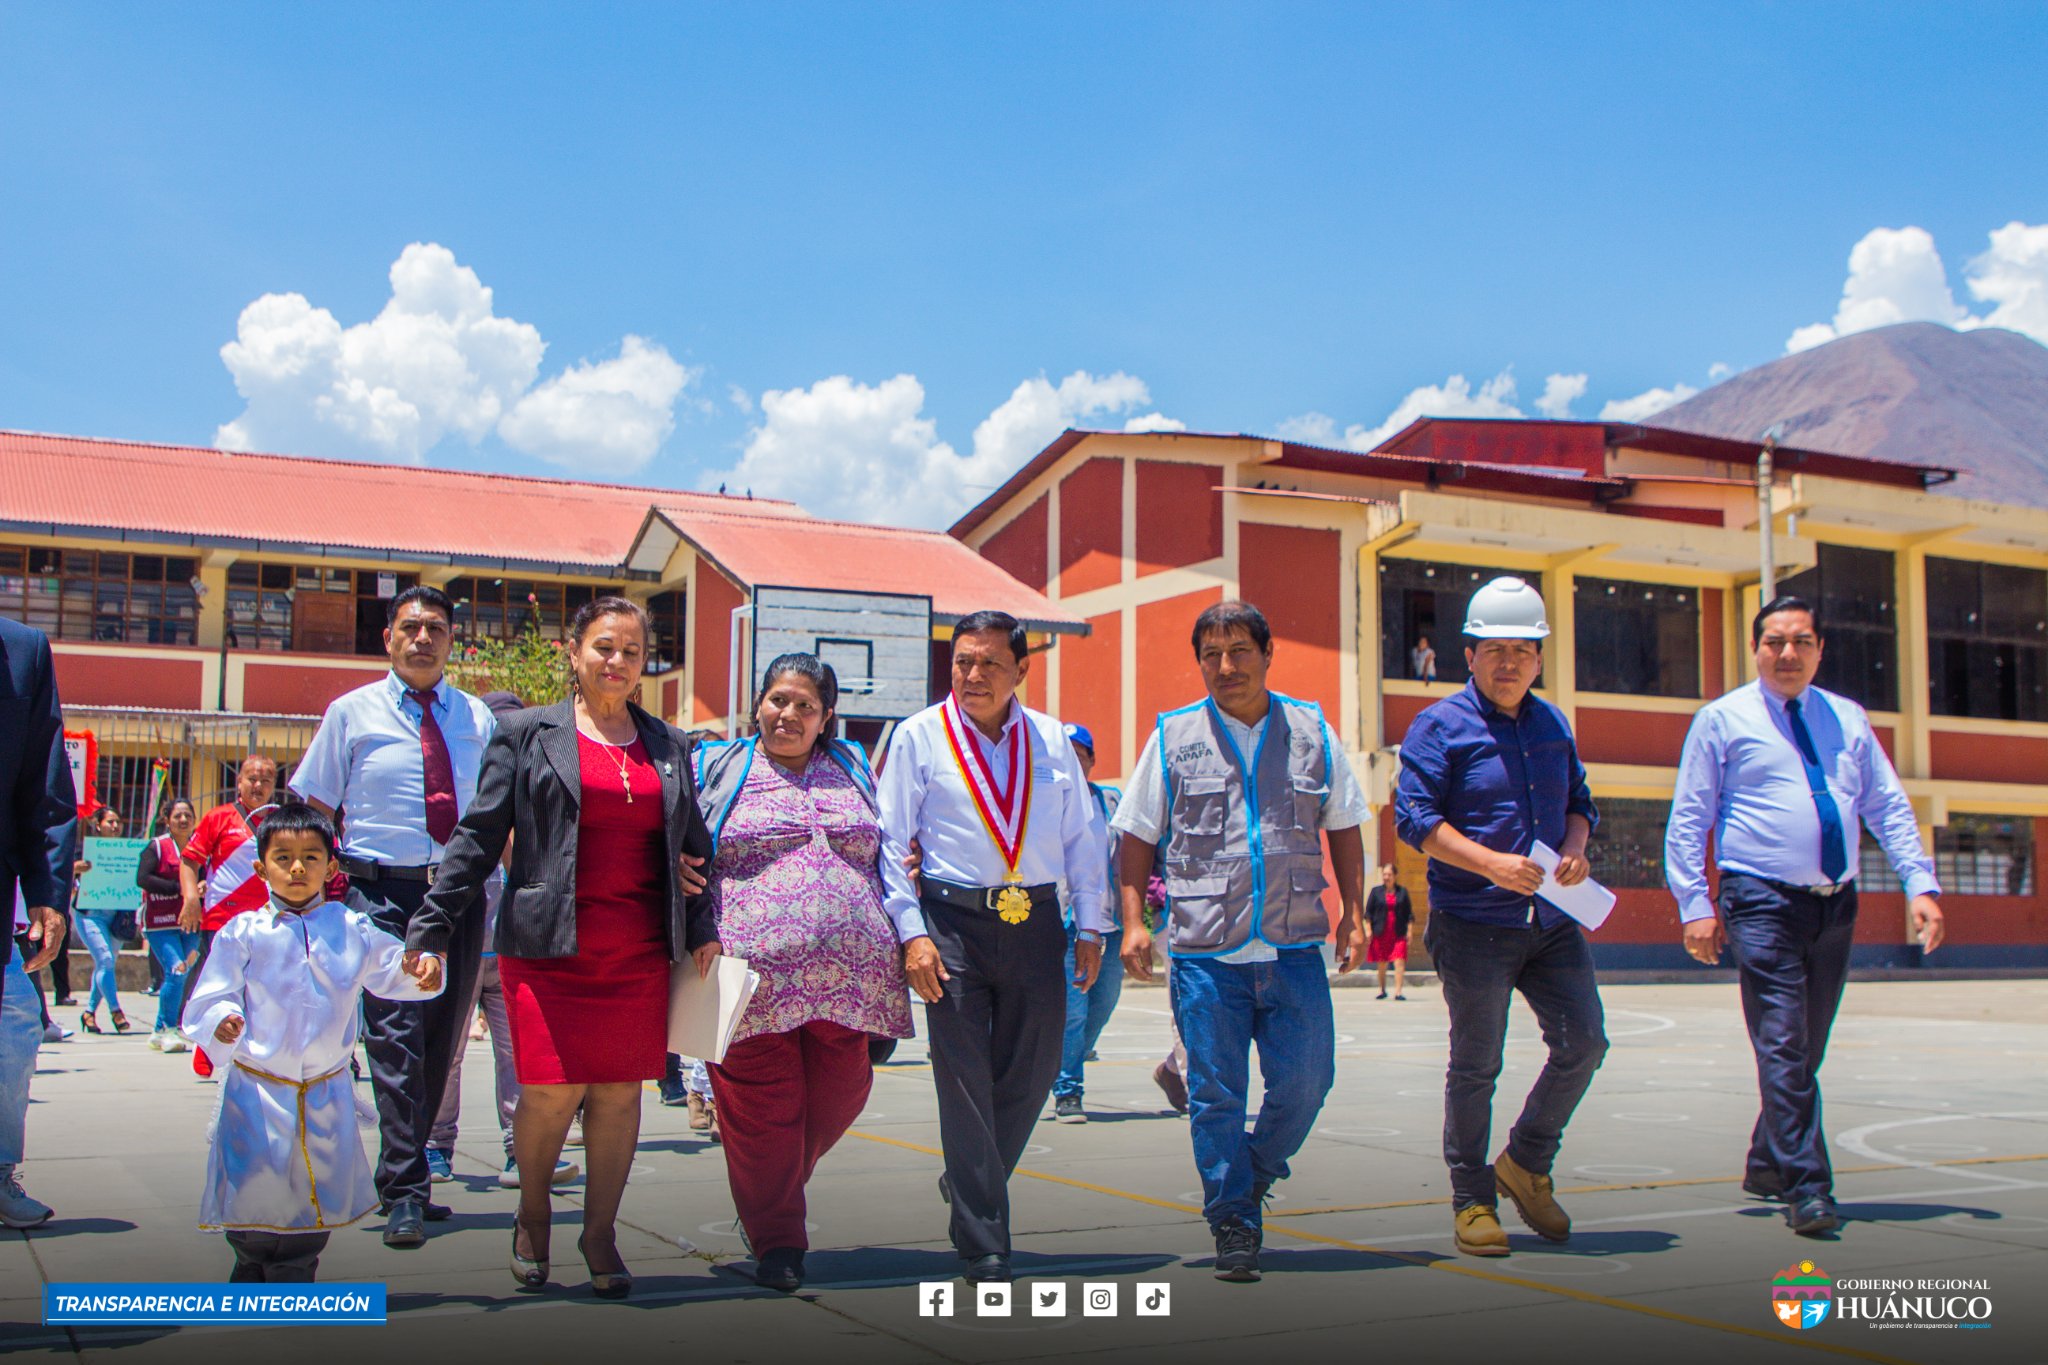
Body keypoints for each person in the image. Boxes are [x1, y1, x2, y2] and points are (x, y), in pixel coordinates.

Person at [405, 596, 715, 1300]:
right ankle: (535, 1212)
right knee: (548, 1091)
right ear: (573, 652)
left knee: (618, 1094)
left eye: (632, 652)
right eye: (604, 646)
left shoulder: (669, 743)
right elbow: (478, 838)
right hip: (547, 947)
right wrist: (429, 927)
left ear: (644, 665)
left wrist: (702, 924)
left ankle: (600, 1231)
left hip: (635, 950)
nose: (617, 661)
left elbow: (697, 849)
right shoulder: (524, 733)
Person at [1665, 594, 1945, 1238]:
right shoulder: (1722, 719)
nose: (1787, 653)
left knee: (1802, 1049)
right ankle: (1808, 1186)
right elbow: (1690, 817)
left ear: (1819, 650)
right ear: (1756, 648)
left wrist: (1920, 883)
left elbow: (1888, 806)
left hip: (1835, 903)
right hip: (1759, 900)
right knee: (1783, 1044)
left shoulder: (1848, 718)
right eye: (1774, 641)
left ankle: (1767, 1163)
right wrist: (1694, 903)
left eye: (1801, 641)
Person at [1116, 599, 1369, 1283]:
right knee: (1217, 1095)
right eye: (1211, 654)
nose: (1225, 666)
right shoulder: (1174, 735)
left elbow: (1344, 822)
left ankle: (1250, 1171)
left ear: (1267, 652)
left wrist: (1354, 909)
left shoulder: (1312, 728)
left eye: (1238, 651)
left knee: (1308, 1081)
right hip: (1205, 954)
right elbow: (1136, 833)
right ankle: (1232, 1216)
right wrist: (1135, 919)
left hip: (1292, 947)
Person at [876, 609, 1111, 1283]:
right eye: (962, 661)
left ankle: (972, 1179)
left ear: (1021, 670)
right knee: (962, 1078)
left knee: (1034, 1069)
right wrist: (911, 932)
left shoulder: (1052, 740)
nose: (972, 675)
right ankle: (984, 1238)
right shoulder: (921, 736)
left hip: (1036, 922)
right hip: (951, 924)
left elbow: (1081, 838)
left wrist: (1090, 923)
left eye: (989, 663)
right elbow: (890, 843)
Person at [1395, 575, 1606, 1259]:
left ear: (1540, 657)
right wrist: (1490, 863)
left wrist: (1574, 850)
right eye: (1495, 649)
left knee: (1585, 1041)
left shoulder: (1552, 724)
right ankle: (1473, 1197)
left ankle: (1526, 1160)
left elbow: (1581, 802)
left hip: (1551, 922)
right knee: (1477, 1063)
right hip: (1473, 923)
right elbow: (1415, 819)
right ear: (1469, 655)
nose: (1509, 662)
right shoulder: (1439, 726)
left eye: (1523, 649)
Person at [694, 653, 913, 1292]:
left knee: (845, 1091)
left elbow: (891, 848)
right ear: (758, 703)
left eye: (805, 706)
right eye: (778, 700)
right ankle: (780, 1242)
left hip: (852, 989)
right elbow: (673, 837)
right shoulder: (719, 767)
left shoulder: (852, 767)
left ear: (826, 718)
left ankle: (770, 1189)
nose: (788, 714)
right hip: (747, 985)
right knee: (765, 1113)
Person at [291, 585, 497, 1249]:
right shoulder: (350, 713)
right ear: (388, 637)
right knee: (394, 1038)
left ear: (451, 640)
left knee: (440, 1041)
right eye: (410, 627)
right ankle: (408, 1187)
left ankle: (397, 1172)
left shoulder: (476, 717)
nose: (422, 638)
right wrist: (311, 893)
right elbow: (313, 808)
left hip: (458, 899)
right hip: (380, 897)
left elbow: (497, 812)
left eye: (435, 628)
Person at [181, 803, 442, 1282]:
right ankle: (251, 1261)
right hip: (257, 1090)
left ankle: (296, 1270)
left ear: (332, 866)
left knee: (311, 1189)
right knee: (253, 1185)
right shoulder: (243, 932)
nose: (297, 868)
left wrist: (422, 969)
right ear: (261, 868)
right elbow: (211, 995)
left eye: (310, 857)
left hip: (324, 1089)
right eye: (283, 857)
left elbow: (391, 968)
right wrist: (222, 1020)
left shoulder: (351, 928)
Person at [424, 691, 581, 1193]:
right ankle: (436, 1145)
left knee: (517, 1054)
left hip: (513, 945)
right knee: (447, 1051)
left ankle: (520, 1151)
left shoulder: (536, 791)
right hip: (465, 945)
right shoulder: (468, 792)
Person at [0, 614, 82, 1229]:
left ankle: (0, 1174)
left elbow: (46, 785)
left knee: (16, 1024)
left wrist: (49, 894)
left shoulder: (21, 651)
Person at [1049, 722, 1124, 1124]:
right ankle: (1068, 1091)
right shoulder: (1044, 802)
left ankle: (1063, 1059)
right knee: (1073, 1012)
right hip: (1066, 925)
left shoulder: (1110, 801)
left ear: (1092, 761)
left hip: (1111, 925)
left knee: (1104, 1003)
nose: (1073, 764)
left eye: (1080, 756)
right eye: (1066, 756)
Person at [179, 754, 279, 992]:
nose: (258, 786)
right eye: (252, 779)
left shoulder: (281, 821)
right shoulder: (219, 817)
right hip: (222, 919)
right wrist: (191, 899)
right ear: (239, 781)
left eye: (265, 780)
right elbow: (189, 861)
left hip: (269, 920)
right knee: (221, 989)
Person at [138, 798, 200, 1052]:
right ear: (168, 821)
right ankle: (170, 1029)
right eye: (178, 816)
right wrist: (181, 889)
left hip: (192, 922)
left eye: (188, 815)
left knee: (183, 975)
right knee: (177, 971)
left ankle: (159, 1029)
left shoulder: (199, 846)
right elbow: (143, 878)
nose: (183, 820)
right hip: (160, 922)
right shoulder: (157, 847)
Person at [72, 806, 134, 1035]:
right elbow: (58, 869)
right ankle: (116, 1010)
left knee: (104, 965)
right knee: (106, 960)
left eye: (118, 821)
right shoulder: (84, 848)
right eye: (110, 821)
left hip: (117, 917)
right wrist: (75, 868)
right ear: (98, 825)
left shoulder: (127, 850)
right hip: (90, 914)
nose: (115, 826)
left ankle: (88, 1012)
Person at [1368, 864, 1413, 1000]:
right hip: (1381, 931)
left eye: (1389, 875)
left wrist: (1410, 932)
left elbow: (1409, 914)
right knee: (1382, 962)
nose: (1386, 877)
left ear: (1395, 876)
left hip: (1398, 931)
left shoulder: (1402, 892)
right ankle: (1382, 989)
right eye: (1384, 874)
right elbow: (1368, 913)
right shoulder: (1375, 892)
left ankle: (1398, 991)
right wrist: (1369, 930)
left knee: (1399, 961)